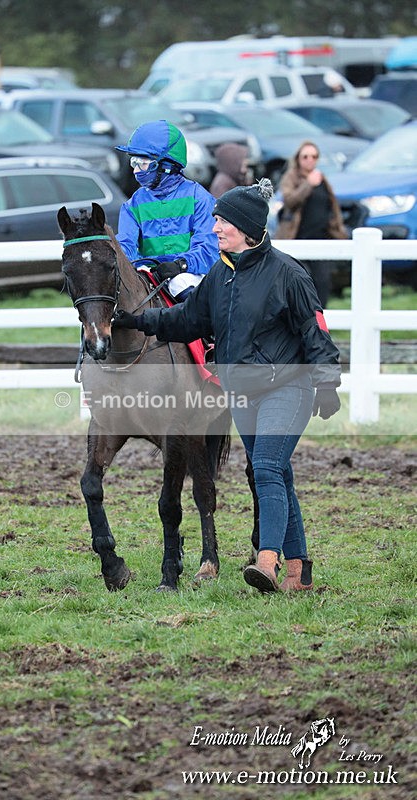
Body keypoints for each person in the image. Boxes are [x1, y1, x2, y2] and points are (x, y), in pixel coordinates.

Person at [113, 179, 342, 593]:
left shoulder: (289, 274)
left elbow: (316, 332)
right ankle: (299, 571)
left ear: (247, 229)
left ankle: (267, 562)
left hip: (287, 388)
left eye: (222, 222)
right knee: (277, 476)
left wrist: (326, 384)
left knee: (268, 469)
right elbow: (184, 321)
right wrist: (135, 320)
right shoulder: (220, 275)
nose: (215, 228)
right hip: (243, 392)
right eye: (215, 221)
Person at [116, 119, 219, 301]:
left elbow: (208, 248)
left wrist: (181, 265)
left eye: (142, 163)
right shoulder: (132, 206)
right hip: (149, 275)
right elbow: (126, 246)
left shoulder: (200, 199)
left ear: (167, 165)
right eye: (134, 163)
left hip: (192, 274)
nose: (135, 171)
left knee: (180, 283)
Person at [275, 140, 348, 308]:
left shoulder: (321, 178)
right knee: (296, 280)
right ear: (298, 158)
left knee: (322, 281)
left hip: (321, 237)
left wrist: (337, 228)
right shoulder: (291, 177)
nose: (310, 160)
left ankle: (320, 321)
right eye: (305, 156)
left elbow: (332, 205)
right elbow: (289, 201)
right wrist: (308, 184)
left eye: (314, 156)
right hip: (296, 237)